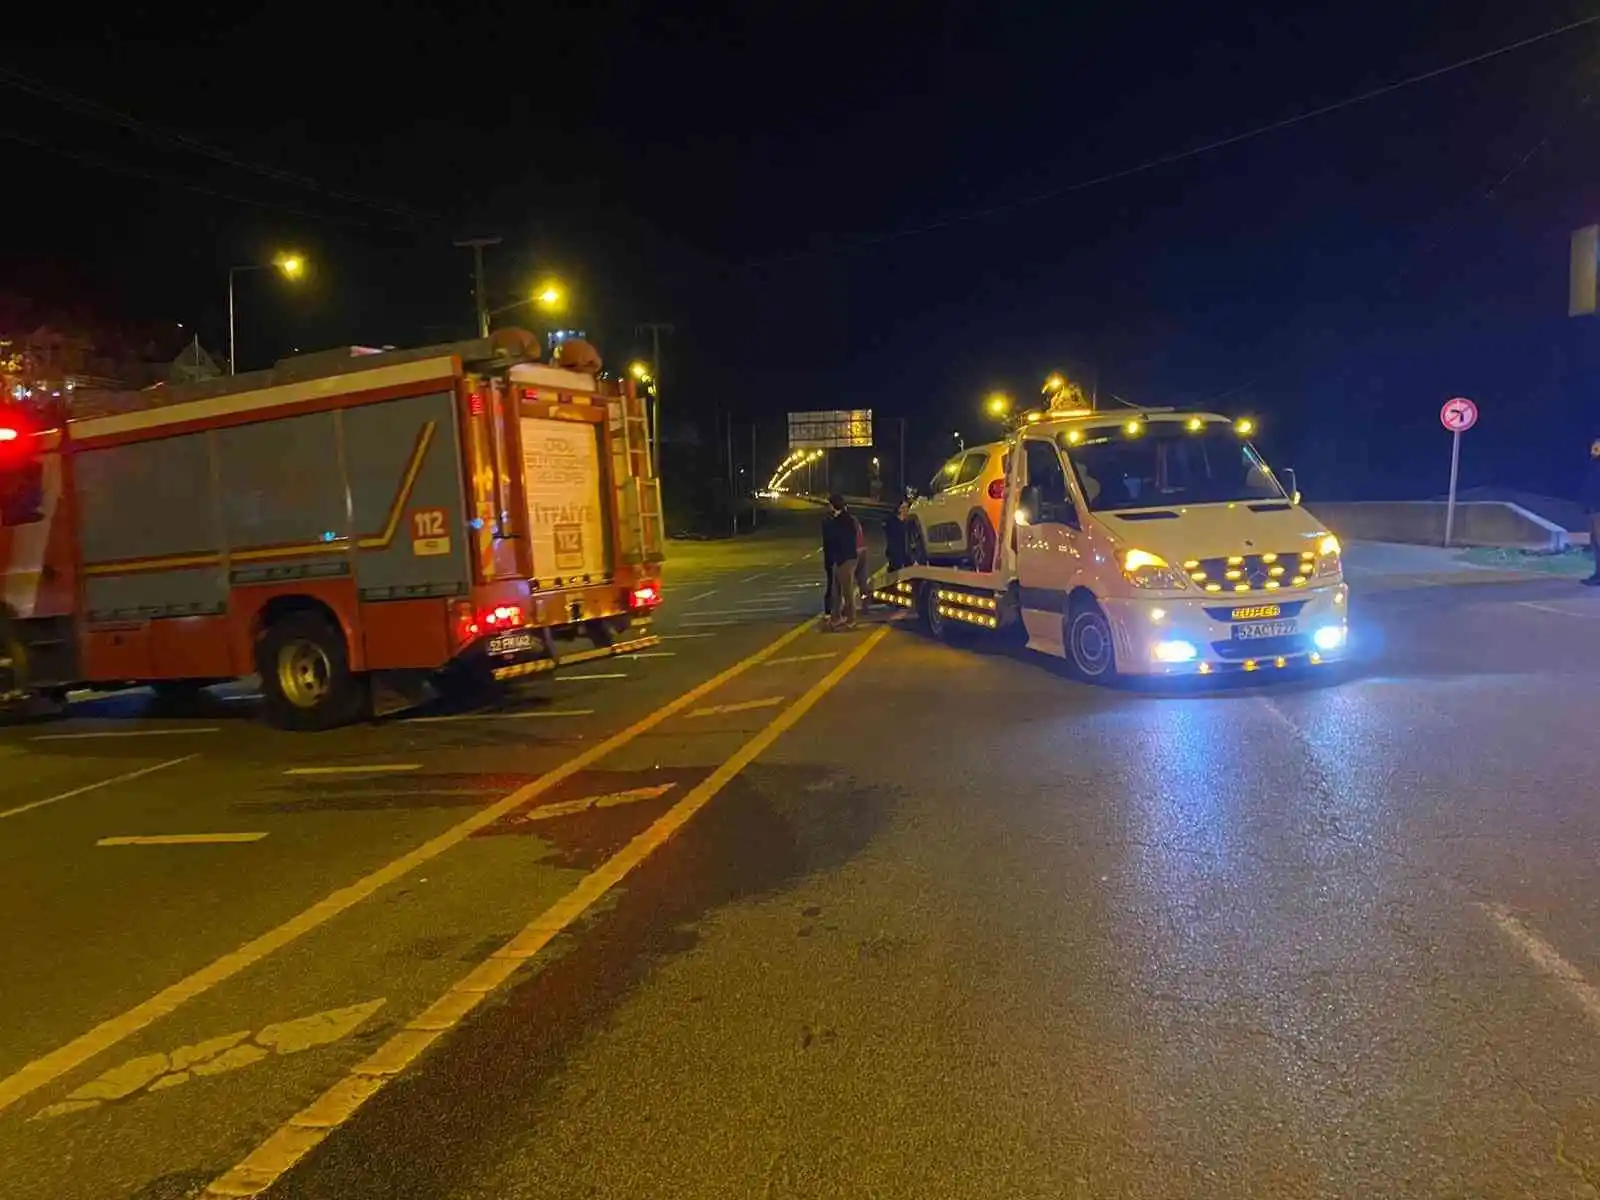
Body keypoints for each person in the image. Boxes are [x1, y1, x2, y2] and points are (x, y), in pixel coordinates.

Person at [821, 493, 859, 628]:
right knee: (836, 590)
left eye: (830, 504)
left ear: (833, 505)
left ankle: (851, 618)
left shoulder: (844, 520)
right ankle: (835, 617)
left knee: (847, 590)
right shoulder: (839, 519)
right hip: (840, 559)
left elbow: (839, 539)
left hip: (846, 559)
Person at [1585, 438, 1600, 586]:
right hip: (1594, 509)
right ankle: (1598, 574)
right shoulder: (1594, 468)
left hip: (1598, 509)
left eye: (1596, 449)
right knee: (1595, 542)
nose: (1593, 452)